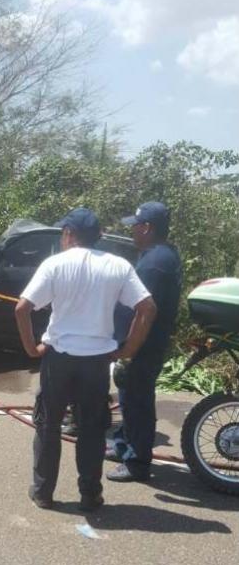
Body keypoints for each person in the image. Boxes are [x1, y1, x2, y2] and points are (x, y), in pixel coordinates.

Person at [14, 208, 156, 512]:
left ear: (67, 235)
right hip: (96, 363)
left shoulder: (54, 264)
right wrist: (128, 349)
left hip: (58, 360)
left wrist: (31, 349)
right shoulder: (118, 266)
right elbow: (147, 308)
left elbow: (22, 308)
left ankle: (43, 492)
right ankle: (90, 495)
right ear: (98, 236)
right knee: (92, 430)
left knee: (48, 425)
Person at [107, 202, 182, 482]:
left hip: (143, 346)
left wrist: (128, 350)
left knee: (138, 401)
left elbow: (143, 311)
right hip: (143, 344)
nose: (133, 232)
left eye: (136, 226)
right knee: (128, 398)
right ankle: (123, 445)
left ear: (147, 228)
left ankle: (137, 462)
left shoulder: (155, 263)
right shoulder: (159, 255)